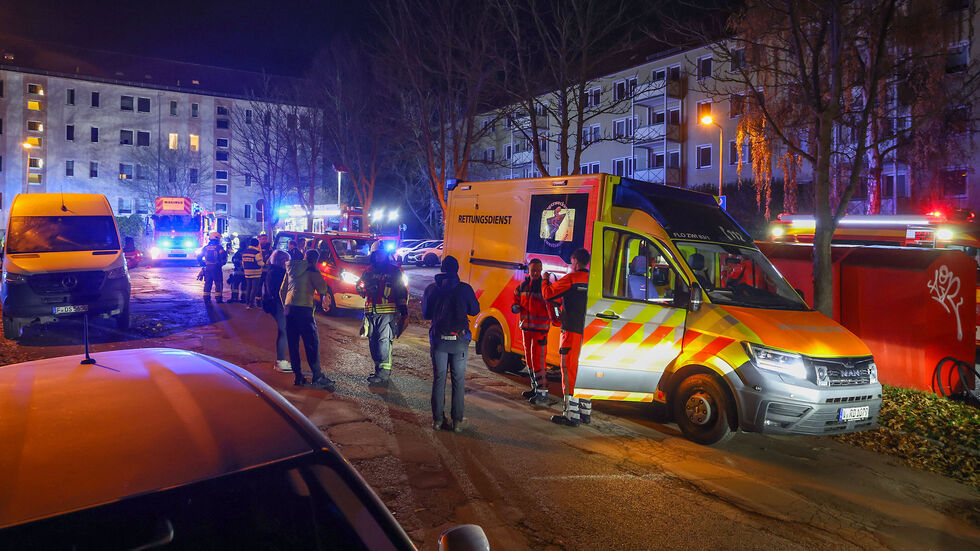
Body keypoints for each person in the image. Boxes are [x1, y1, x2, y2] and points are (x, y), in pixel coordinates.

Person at [422, 256, 479, 432]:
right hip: (459, 341)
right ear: (457, 270)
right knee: (458, 380)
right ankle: (457, 422)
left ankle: (438, 420)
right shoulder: (464, 289)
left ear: (441, 269)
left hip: (439, 340)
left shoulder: (432, 289)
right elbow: (475, 310)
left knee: (439, 379)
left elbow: (425, 314)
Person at [542, 248, 591, 427]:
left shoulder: (571, 278)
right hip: (590, 332)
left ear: (576, 262)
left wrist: (545, 280)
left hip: (571, 331)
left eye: (571, 262)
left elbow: (548, 294)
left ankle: (570, 415)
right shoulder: (593, 281)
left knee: (569, 370)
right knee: (584, 372)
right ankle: (585, 412)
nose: (571, 265)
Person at [279, 248, 335, 391]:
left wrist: (286, 306)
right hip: (304, 310)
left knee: (293, 344)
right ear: (315, 260)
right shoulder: (312, 270)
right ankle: (317, 376)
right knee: (311, 343)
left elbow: (282, 291)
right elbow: (322, 288)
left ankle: (298, 377)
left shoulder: (291, 268)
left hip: (289, 310)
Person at [357, 249, 409, 386]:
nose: (378, 256)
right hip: (371, 312)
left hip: (387, 313)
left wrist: (404, 312)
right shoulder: (369, 270)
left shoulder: (394, 271)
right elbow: (359, 286)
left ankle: (384, 373)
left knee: (383, 342)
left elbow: (401, 291)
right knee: (373, 342)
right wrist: (362, 288)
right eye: (376, 254)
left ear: (385, 255)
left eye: (380, 254)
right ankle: (377, 370)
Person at [512, 258, 551, 405]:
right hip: (527, 328)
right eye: (533, 270)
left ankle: (542, 393)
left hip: (540, 330)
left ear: (541, 270)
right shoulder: (522, 286)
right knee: (529, 359)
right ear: (528, 270)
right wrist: (514, 307)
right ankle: (535, 388)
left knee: (538, 360)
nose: (535, 273)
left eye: (538, 270)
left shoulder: (545, 287)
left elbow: (552, 301)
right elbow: (516, 300)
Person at [264, 249, 291, 373]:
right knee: (284, 330)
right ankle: (280, 362)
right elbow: (277, 292)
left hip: (276, 304)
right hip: (278, 305)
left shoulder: (273, 271)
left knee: (284, 331)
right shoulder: (277, 273)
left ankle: (281, 360)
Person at [201, 232, 228, 303]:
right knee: (218, 283)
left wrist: (204, 265)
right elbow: (223, 258)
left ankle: (206, 297)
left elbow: (199, 257)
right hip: (217, 268)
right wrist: (221, 263)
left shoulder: (205, 248)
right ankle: (218, 299)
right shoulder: (219, 248)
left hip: (208, 268)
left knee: (208, 282)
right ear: (217, 238)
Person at [242, 237, 265, 309]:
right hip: (256, 273)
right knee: (254, 288)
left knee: (248, 287)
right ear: (257, 244)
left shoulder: (245, 252)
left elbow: (243, 263)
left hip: (247, 272)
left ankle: (247, 302)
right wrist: (265, 264)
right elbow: (260, 263)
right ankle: (251, 304)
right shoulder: (257, 253)